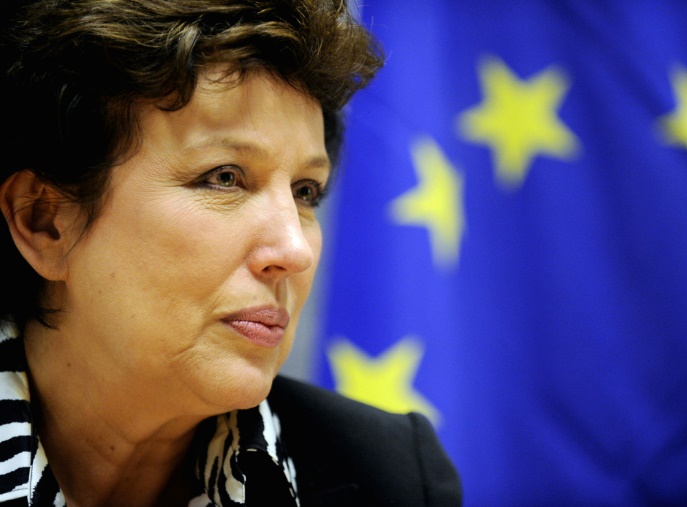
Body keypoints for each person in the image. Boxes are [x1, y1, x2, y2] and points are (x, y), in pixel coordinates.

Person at [0, 1, 462, 505]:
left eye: (306, 192)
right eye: (225, 178)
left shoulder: (391, 479)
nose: (294, 251)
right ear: (45, 222)